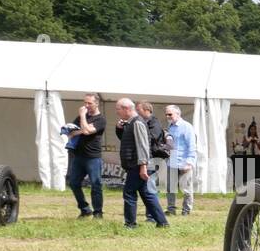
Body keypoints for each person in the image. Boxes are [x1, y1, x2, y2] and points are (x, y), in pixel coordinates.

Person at [115, 98, 167, 229]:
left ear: (127, 108)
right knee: (147, 194)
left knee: (129, 193)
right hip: (137, 165)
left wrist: (143, 166)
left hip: (138, 166)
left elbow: (143, 145)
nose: (117, 112)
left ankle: (130, 224)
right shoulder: (131, 123)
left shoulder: (137, 123)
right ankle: (162, 222)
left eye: (118, 109)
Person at [65, 93, 106, 218]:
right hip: (78, 156)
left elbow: (87, 131)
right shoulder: (80, 118)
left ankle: (98, 212)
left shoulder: (100, 119)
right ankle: (85, 209)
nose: (86, 106)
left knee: (96, 184)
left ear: (96, 103)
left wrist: (83, 118)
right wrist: (81, 129)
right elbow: (71, 133)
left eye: (89, 103)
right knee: (73, 183)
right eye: (85, 103)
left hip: (93, 157)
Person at [164, 104, 197, 215]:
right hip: (172, 163)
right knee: (170, 189)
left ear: (178, 114)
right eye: (166, 114)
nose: (167, 116)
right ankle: (171, 210)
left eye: (170, 114)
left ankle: (186, 211)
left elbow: (192, 146)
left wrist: (189, 162)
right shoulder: (170, 127)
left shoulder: (187, 127)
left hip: (184, 163)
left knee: (186, 189)